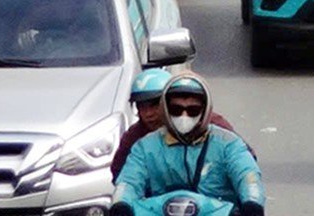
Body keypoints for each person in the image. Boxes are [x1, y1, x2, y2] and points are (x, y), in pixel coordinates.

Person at [110, 74, 265, 216]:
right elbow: (128, 181)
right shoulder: (144, 146)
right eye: (176, 109)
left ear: (205, 111)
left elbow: (247, 175)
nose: (184, 116)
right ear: (166, 109)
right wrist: (121, 204)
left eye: (193, 110)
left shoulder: (228, 142)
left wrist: (252, 203)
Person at [113, 69, 243, 179]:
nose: (148, 114)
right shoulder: (135, 138)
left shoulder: (214, 127)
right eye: (142, 107)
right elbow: (122, 176)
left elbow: (244, 161)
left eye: (154, 105)